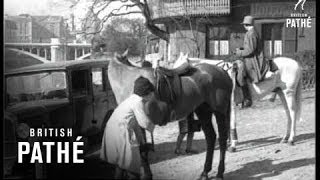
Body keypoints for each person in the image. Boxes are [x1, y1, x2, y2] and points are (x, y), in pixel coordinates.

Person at [100, 76, 156, 180]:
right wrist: (156, 121)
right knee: (132, 167)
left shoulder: (132, 99)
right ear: (147, 92)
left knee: (121, 164)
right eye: (152, 93)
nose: (153, 95)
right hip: (121, 133)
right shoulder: (138, 102)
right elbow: (145, 124)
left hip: (114, 131)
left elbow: (135, 123)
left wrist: (141, 141)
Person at [235, 15, 275, 108]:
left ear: (246, 25)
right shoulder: (251, 33)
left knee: (240, 76)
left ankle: (247, 99)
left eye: (244, 25)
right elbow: (249, 48)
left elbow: (250, 51)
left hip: (253, 60)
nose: (243, 26)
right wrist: (241, 49)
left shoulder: (251, 33)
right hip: (250, 58)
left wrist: (238, 53)